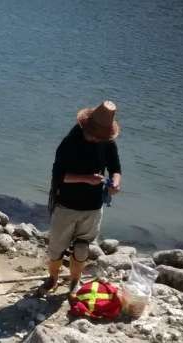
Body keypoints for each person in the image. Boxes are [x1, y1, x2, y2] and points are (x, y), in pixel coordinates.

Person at [38, 100, 122, 295]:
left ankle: (74, 281)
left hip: (93, 207)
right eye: (95, 136)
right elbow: (58, 176)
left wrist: (116, 182)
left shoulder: (107, 141)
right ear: (86, 126)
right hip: (66, 205)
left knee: (82, 249)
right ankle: (53, 278)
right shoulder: (70, 142)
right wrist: (87, 179)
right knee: (56, 249)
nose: (97, 139)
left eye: (101, 137)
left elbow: (115, 168)